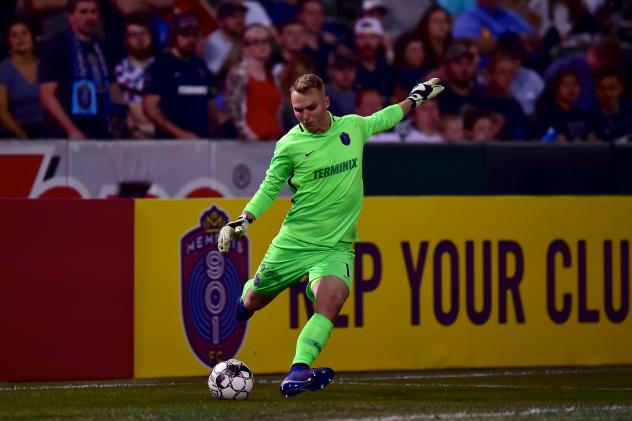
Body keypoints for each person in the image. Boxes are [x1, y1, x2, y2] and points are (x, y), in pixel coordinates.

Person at [216, 74, 444, 397]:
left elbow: (385, 117)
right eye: (297, 110)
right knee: (253, 301)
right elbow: (269, 189)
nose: (304, 116)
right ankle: (248, 295)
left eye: (310, 107)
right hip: (294, 244)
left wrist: (416, 99)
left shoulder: (352, 127)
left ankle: (298, 371)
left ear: (326, 102)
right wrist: (243, 220)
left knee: (331, 302)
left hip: (336, 247)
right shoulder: (289, 145)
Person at [39, 0, 113, 139]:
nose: (90, 17)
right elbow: (47, 95)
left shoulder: (101, 45)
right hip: (66, 134)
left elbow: (112, 86)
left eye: (94, 12)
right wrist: (71, 129)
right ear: (70, 16)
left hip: (100, 131)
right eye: (83, 12)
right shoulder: (57, 45)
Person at [143, 13, 219, 139]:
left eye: (194, 34)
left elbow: (211, 96)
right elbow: (150, 108)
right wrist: (181, 134)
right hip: (171, 144)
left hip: (202, 142)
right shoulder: (161, 66)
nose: (191, 39)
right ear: (173, 36)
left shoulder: (200, 65)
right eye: (185, 34)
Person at [224, 23, 282, 140]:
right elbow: (233, 111)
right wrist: (250, 138)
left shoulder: (272, 76)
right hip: (248, 145)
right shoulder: (239, 74)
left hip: (272, 143)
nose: (262, 46)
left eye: (265, 41)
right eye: (256, 42)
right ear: (245, 46)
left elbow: (276, 112)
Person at [0, 18, 44, 139]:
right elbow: (2, 111)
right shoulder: (4, 69)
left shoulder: (44, 66)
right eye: (14, 35)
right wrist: (24, 137)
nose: (20, 38)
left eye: (24, 33)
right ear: (9, 42)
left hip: (46, 132)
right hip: (14, 134)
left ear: (32, 38)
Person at [113, 16, 156, 139]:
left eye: (144, 33)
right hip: (132, 133)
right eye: (134, 34)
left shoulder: (163, 67)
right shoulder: (119, 70)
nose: (140, 39)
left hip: (162, 132)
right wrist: (133, 128)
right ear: (126, 39)